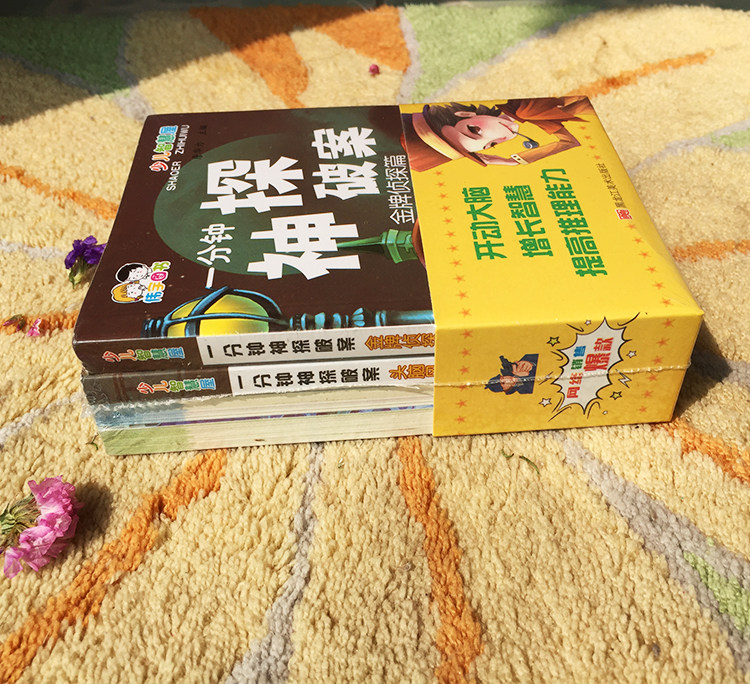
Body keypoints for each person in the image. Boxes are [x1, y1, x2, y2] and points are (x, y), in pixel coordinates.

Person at [401, 97, 595, 172]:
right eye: (491, 145)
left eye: (474, 130)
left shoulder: (524, 110)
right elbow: (570, 142)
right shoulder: (526, 114)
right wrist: (511, 161)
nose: (502, 138)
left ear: (464, 114)